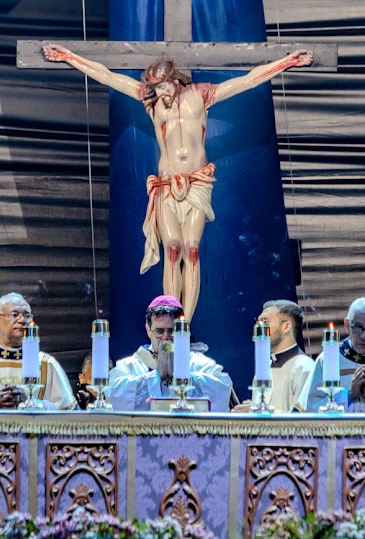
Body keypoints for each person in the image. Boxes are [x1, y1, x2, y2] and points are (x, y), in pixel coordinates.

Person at [43, 44, 313, 319]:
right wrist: (69, 57)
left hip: (197, 182)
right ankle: (171, 316)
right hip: (167, 184)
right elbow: (109, 77)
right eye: (156, 88)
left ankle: (187, 322)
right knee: (172, 247)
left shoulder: (201, 95)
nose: (160, 93)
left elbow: (247, 80)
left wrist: (287, 62)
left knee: (192, 249)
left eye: (163, 87)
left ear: (174, 80)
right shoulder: (150, 102)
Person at [107, 295, 234, 411]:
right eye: (160, 331)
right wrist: (156, 378)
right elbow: (113, 393)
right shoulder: (131, 365)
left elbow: (222, 386)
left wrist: (183, 378)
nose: (166, 337)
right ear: (148, 330)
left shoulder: (197, 362)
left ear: (184, 331)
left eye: (172, 331)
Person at [236, 299, 313, 413]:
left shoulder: (305, 367)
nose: (258, 327)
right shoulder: (264, 367)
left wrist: (257, 412)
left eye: (265, 321)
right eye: (258, 322)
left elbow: (302, 418)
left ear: (286, 327)